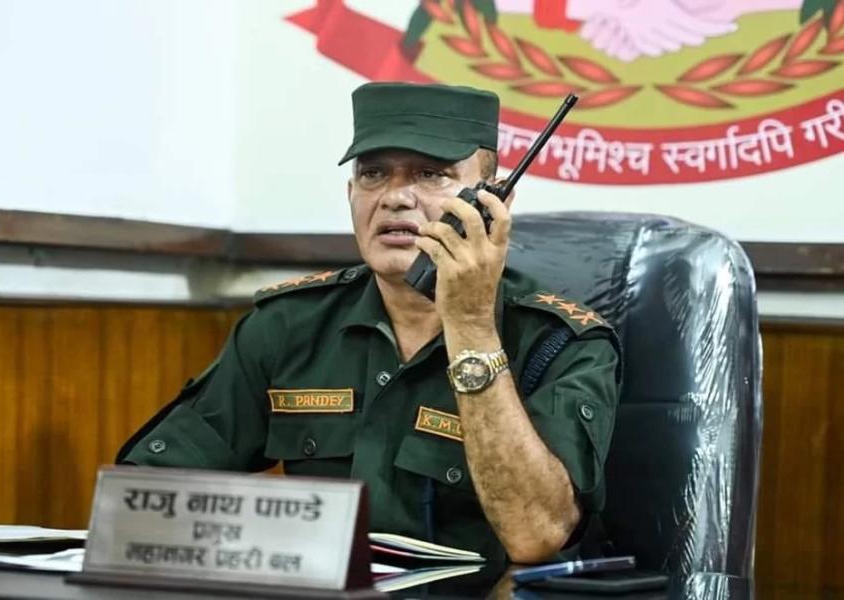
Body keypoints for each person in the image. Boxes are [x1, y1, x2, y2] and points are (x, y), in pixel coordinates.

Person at [117, 82, 621, 564]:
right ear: (351, 193)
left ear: (495, 204)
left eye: (431, 174)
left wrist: (471, 327)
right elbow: (149, 488)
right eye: (374, 174)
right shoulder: (291, 324)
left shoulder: (561, 343)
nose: (395, 197)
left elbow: (537, 536)